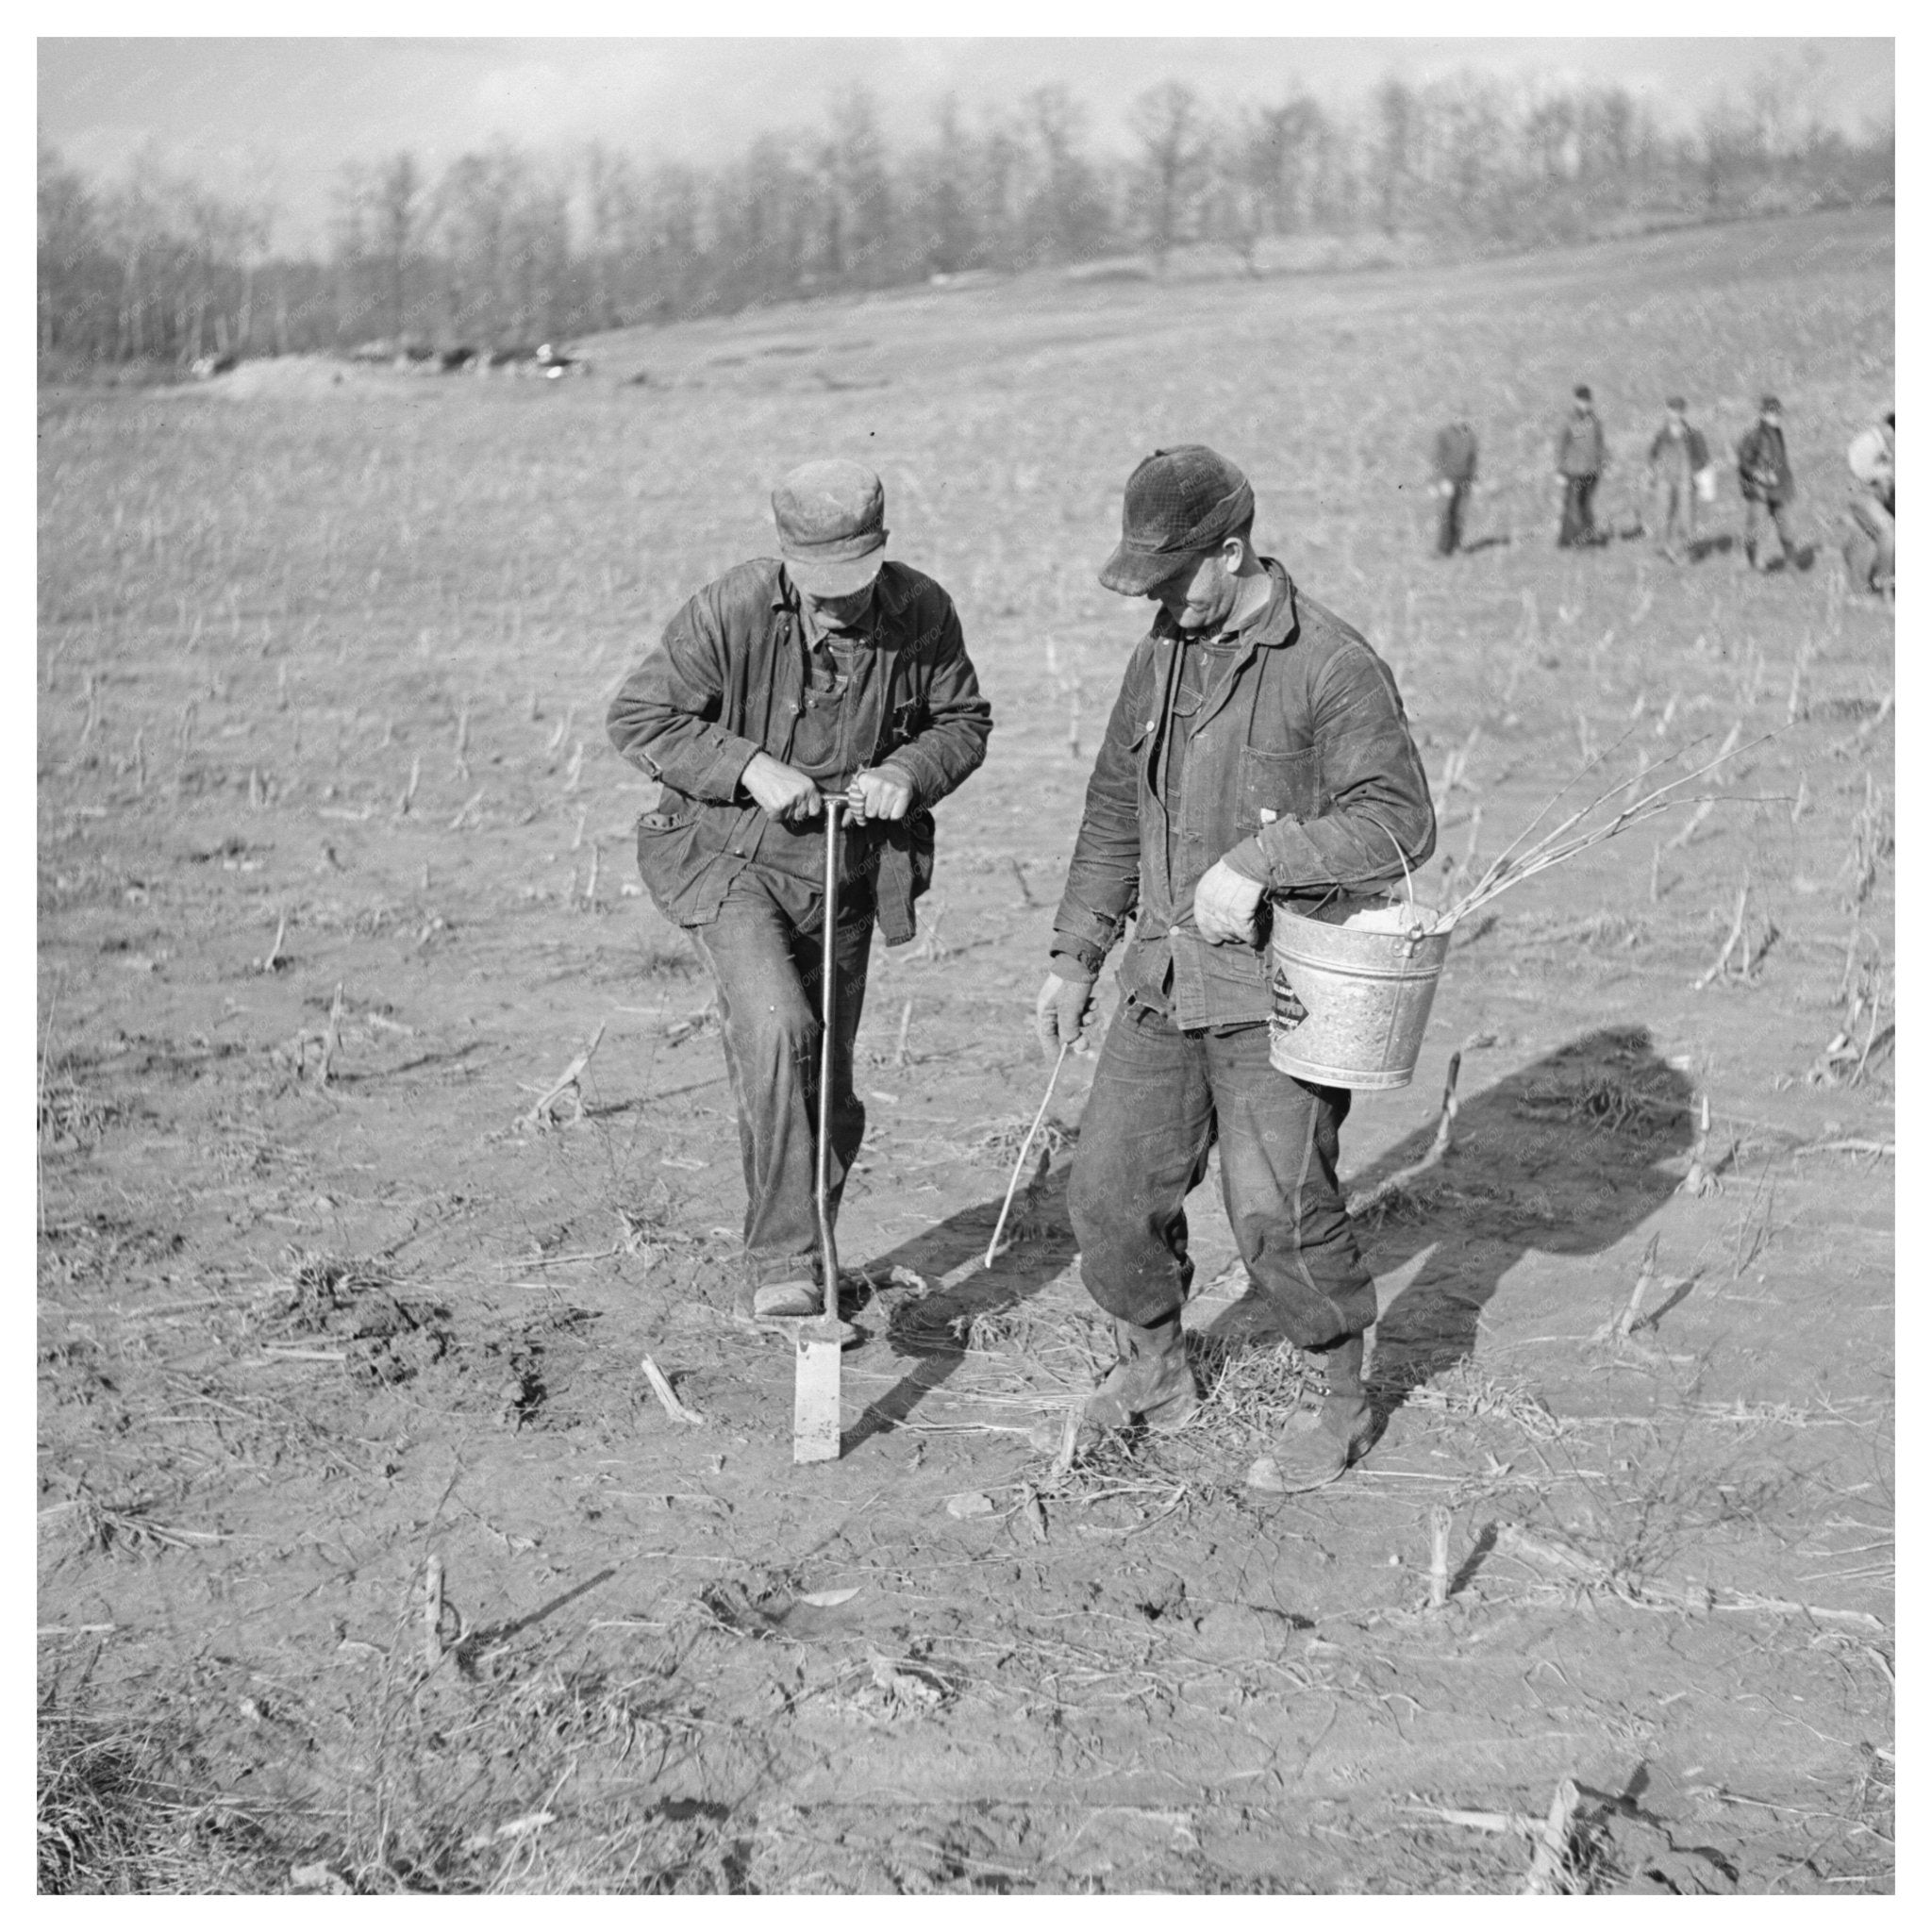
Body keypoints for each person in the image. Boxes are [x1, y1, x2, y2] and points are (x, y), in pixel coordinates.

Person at [1035, 446, 1436, 1492]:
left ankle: (1342, 1404)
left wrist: (1262, 859)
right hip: (1159, 981)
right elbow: (1114, 810)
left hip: (1276, 993)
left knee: (1278, 1213)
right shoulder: (1159, 654)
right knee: (1107, 1192)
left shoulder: (1329, 664)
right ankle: (1159, 1369)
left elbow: (1398, 822)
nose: (1160, 603)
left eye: (1172, 581)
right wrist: (1076, 954)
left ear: (1231, 549)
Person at [607, 459, 991, 1326]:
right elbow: (638, 718)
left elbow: (963, 722)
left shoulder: (922, 610)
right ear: (786, 557)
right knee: (781, 1028)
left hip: (849, 872)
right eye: (818, 587)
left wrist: (908, 771)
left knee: (832, 1088)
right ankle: (783, 1260)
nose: (837, 603)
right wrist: (748, 765)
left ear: (881, 551)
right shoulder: (730, 608)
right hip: (729, 858)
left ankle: (814, 1246)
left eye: (852, 585)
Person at [1737, 393, 1799, 573]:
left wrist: (1787, 484)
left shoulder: (1777, 433)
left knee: (1786, 525)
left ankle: (1791, 564)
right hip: (1760, 490)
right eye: (1773, 414)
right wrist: (1761, 476)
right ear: (1763, 414)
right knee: (1756, 528)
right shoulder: (1754, 435)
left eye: (1778, 414)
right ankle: (1754, 564)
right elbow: (1744, 463)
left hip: (1779, 489)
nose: (1777, 417)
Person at [1645, 395, 1710, 564]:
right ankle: (1664, 550)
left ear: (1683, 412)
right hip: (1664, 482)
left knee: (1686, 518)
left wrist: (1692, 471)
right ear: (1667, 411)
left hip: (1685, 483)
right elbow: (1651, 455)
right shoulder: (1661, 435)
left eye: (1678, 411)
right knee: (1662, 515)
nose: (1675, 414)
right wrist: (1655, 473)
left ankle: (1686, 553)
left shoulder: (1693, 435)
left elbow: (1703, 457)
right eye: (1672, 410)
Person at [1843, 409, 1894, 598]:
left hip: (1879, 497)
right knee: (1888, 533)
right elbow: (1857, 468)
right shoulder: (1868, 442)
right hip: (1863, 496)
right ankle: (1883, 583)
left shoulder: (1883, 445)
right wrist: (1879, 475)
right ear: (1889, 428)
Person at [1555, 385, 1607, 548]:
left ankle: (1586, 537)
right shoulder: (1569, 420)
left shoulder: (1595, 420)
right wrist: (1560, 470)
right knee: (1572, 505)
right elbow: (1561, 445)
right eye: (1582, 401)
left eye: (1587, 401)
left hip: (1591, 470)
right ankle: (1569, 539)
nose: (1585, 404)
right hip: (1573, 470)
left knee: (1586, 504)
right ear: (1576, 401)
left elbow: (1600, 444)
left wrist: (1604, 462)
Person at [1430, 419, 1478, 557]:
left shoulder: (1471, 436)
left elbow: (1473, 459)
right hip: (1448, 481)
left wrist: (1473, 480)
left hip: (1464, 481)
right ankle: (1442, 549)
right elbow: (1438, 457)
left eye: (1466, 415)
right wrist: (1441, 480)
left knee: (1460, 515)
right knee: (1445, 514)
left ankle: (1456, 546)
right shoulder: (1444, 434)